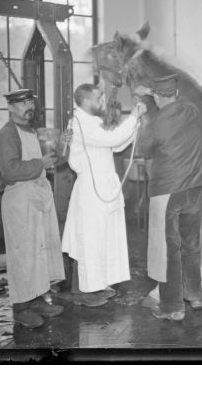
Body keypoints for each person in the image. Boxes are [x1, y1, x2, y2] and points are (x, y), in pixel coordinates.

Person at [61, 83, 146, 307]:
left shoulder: (93, 122)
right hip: (91, 188)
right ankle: (85, 292)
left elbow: (116, 146)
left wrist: (134, 123)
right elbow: (111, 140)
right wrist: (132, 116)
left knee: (103, 238)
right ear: (87, 101)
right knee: (89, 240)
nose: (102, 102)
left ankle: (98, 285)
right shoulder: (78, 123)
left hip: (104, 185)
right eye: (98, 98)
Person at [137, 74, 202, 322]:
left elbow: (145, 149)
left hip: (169, 192)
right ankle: (195, 295)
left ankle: (171, 307)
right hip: (197, 191)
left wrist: (141, 114)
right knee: (192, 245)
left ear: (157, 97)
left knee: (168, 249)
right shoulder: (192, 112)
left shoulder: (156, 121)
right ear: (177, 94)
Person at [0, 89, 65, 328]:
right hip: (19, 202)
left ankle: (35, 300)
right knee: (23, 255)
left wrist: (52, 158)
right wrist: (40, 163)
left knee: (37, 253)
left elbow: (34, 164)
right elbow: (10, 171)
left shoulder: (29, 131)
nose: (28, 106)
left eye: (30, 102)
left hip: (35, 198)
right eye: (22, 103)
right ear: (11, 108)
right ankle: (21, 308)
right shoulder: (6, 135)